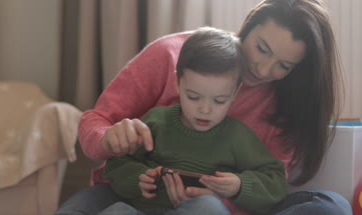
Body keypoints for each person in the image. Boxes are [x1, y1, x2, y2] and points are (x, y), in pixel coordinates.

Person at [55, 0, 352, 214]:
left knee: (330, 206)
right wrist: (109, 138)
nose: (263, 69)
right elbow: (97, 123)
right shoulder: (173, 56)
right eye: (262, 48)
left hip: (216, 207)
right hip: (129, 196)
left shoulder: (283, 105)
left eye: (284, 66)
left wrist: (227, 193)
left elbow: (270, 185)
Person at [100, 27, 287, 215]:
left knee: (208, 207)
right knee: (116, 210)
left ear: (235, 93)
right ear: (177, 83)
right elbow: (116, 164)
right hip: (141, 209)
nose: (205, 110)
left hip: (197, 210)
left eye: (219, 100)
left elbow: (276, 181)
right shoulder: (157, 121)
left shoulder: (237, 136)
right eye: (194, 97)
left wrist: (239, 186)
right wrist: (138, 179)